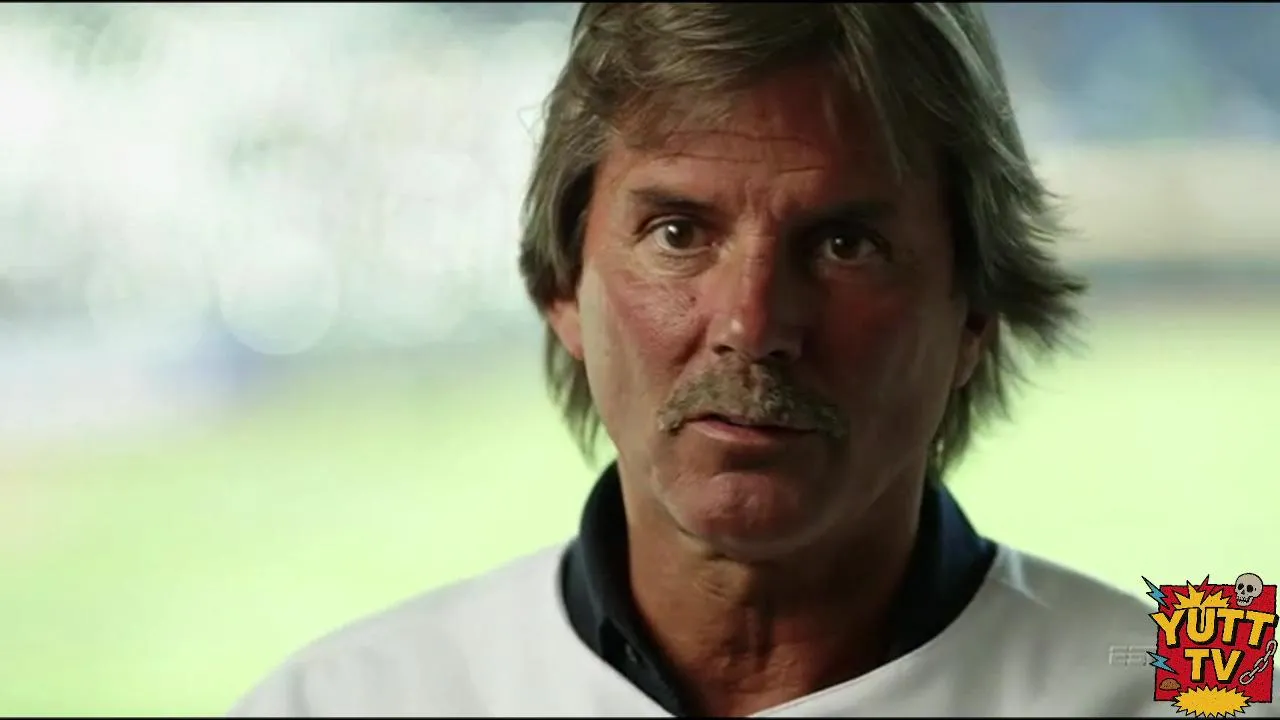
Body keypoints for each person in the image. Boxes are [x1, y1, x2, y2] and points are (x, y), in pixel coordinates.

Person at [230, 4, 1163, 716]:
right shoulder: (340, 701)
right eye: (678, 233)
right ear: (563, 287)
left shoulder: (1196, 686)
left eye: (845, 246)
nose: (753, 326)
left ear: (976, 313)